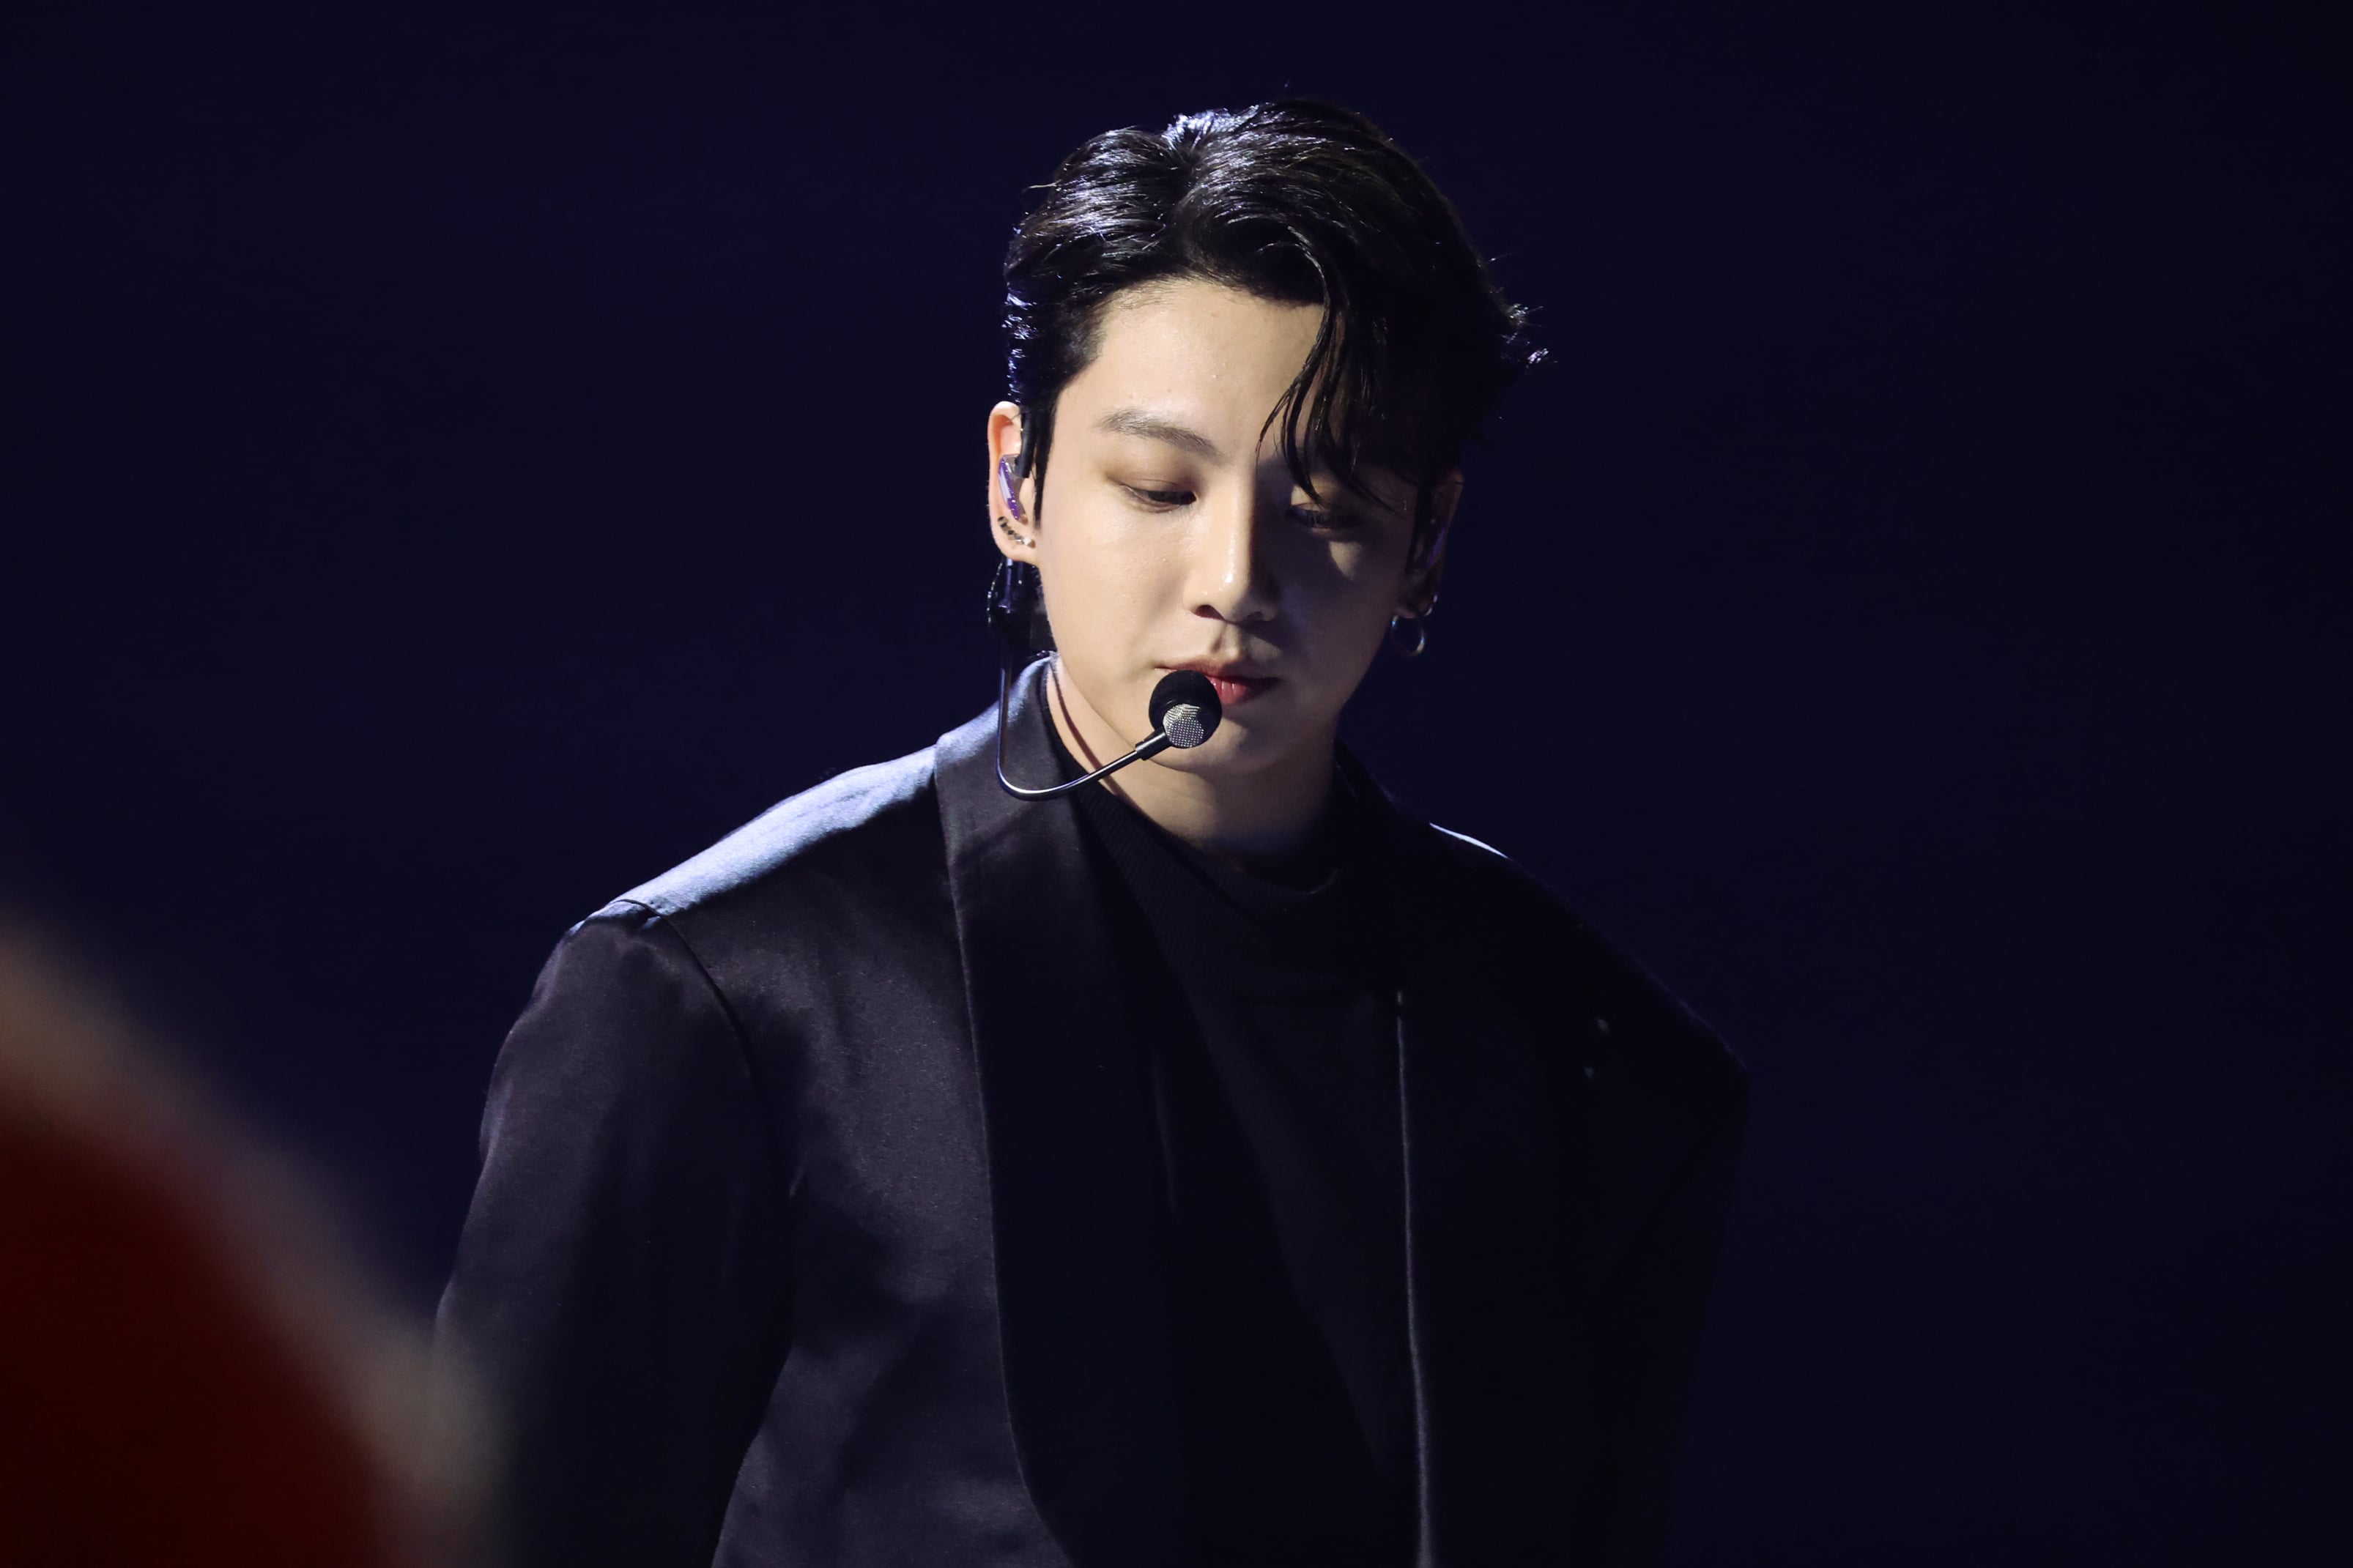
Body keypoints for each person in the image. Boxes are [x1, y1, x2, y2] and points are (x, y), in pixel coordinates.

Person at [438, 99, 1749, 1568]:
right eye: (1158, 489)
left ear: (1426, 542)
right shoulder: (726, 994)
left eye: (1322, 502)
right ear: (1018, 483)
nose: (1235, 577)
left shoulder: (1597, 1058)